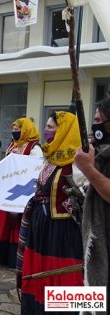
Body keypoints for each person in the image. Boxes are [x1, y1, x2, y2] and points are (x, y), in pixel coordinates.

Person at [16, 111, 84, 314]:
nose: (46, 131)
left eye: (51, 127)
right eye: (46, 126)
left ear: (64, 130)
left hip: (62, 232)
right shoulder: (50, 157)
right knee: (39, 272)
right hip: (41, 228)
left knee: (62, 275)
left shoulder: (77, 161)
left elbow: (84, 196)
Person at [0, 118, 42, 268]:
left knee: (17, 222)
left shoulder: (34, 148)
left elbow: (36, 170)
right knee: (4, 221)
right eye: (13, 128)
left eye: (17, 128)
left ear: (25, 129)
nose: (14, 131)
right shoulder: (12, 145)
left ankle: (16, 256)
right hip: (7, 188)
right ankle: (2, 255)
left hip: (23, 191)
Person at [74, 97, 110, 299]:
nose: (94, 124)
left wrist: (88, 169)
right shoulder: (101, 153)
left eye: (98, 119)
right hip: (97, 247)